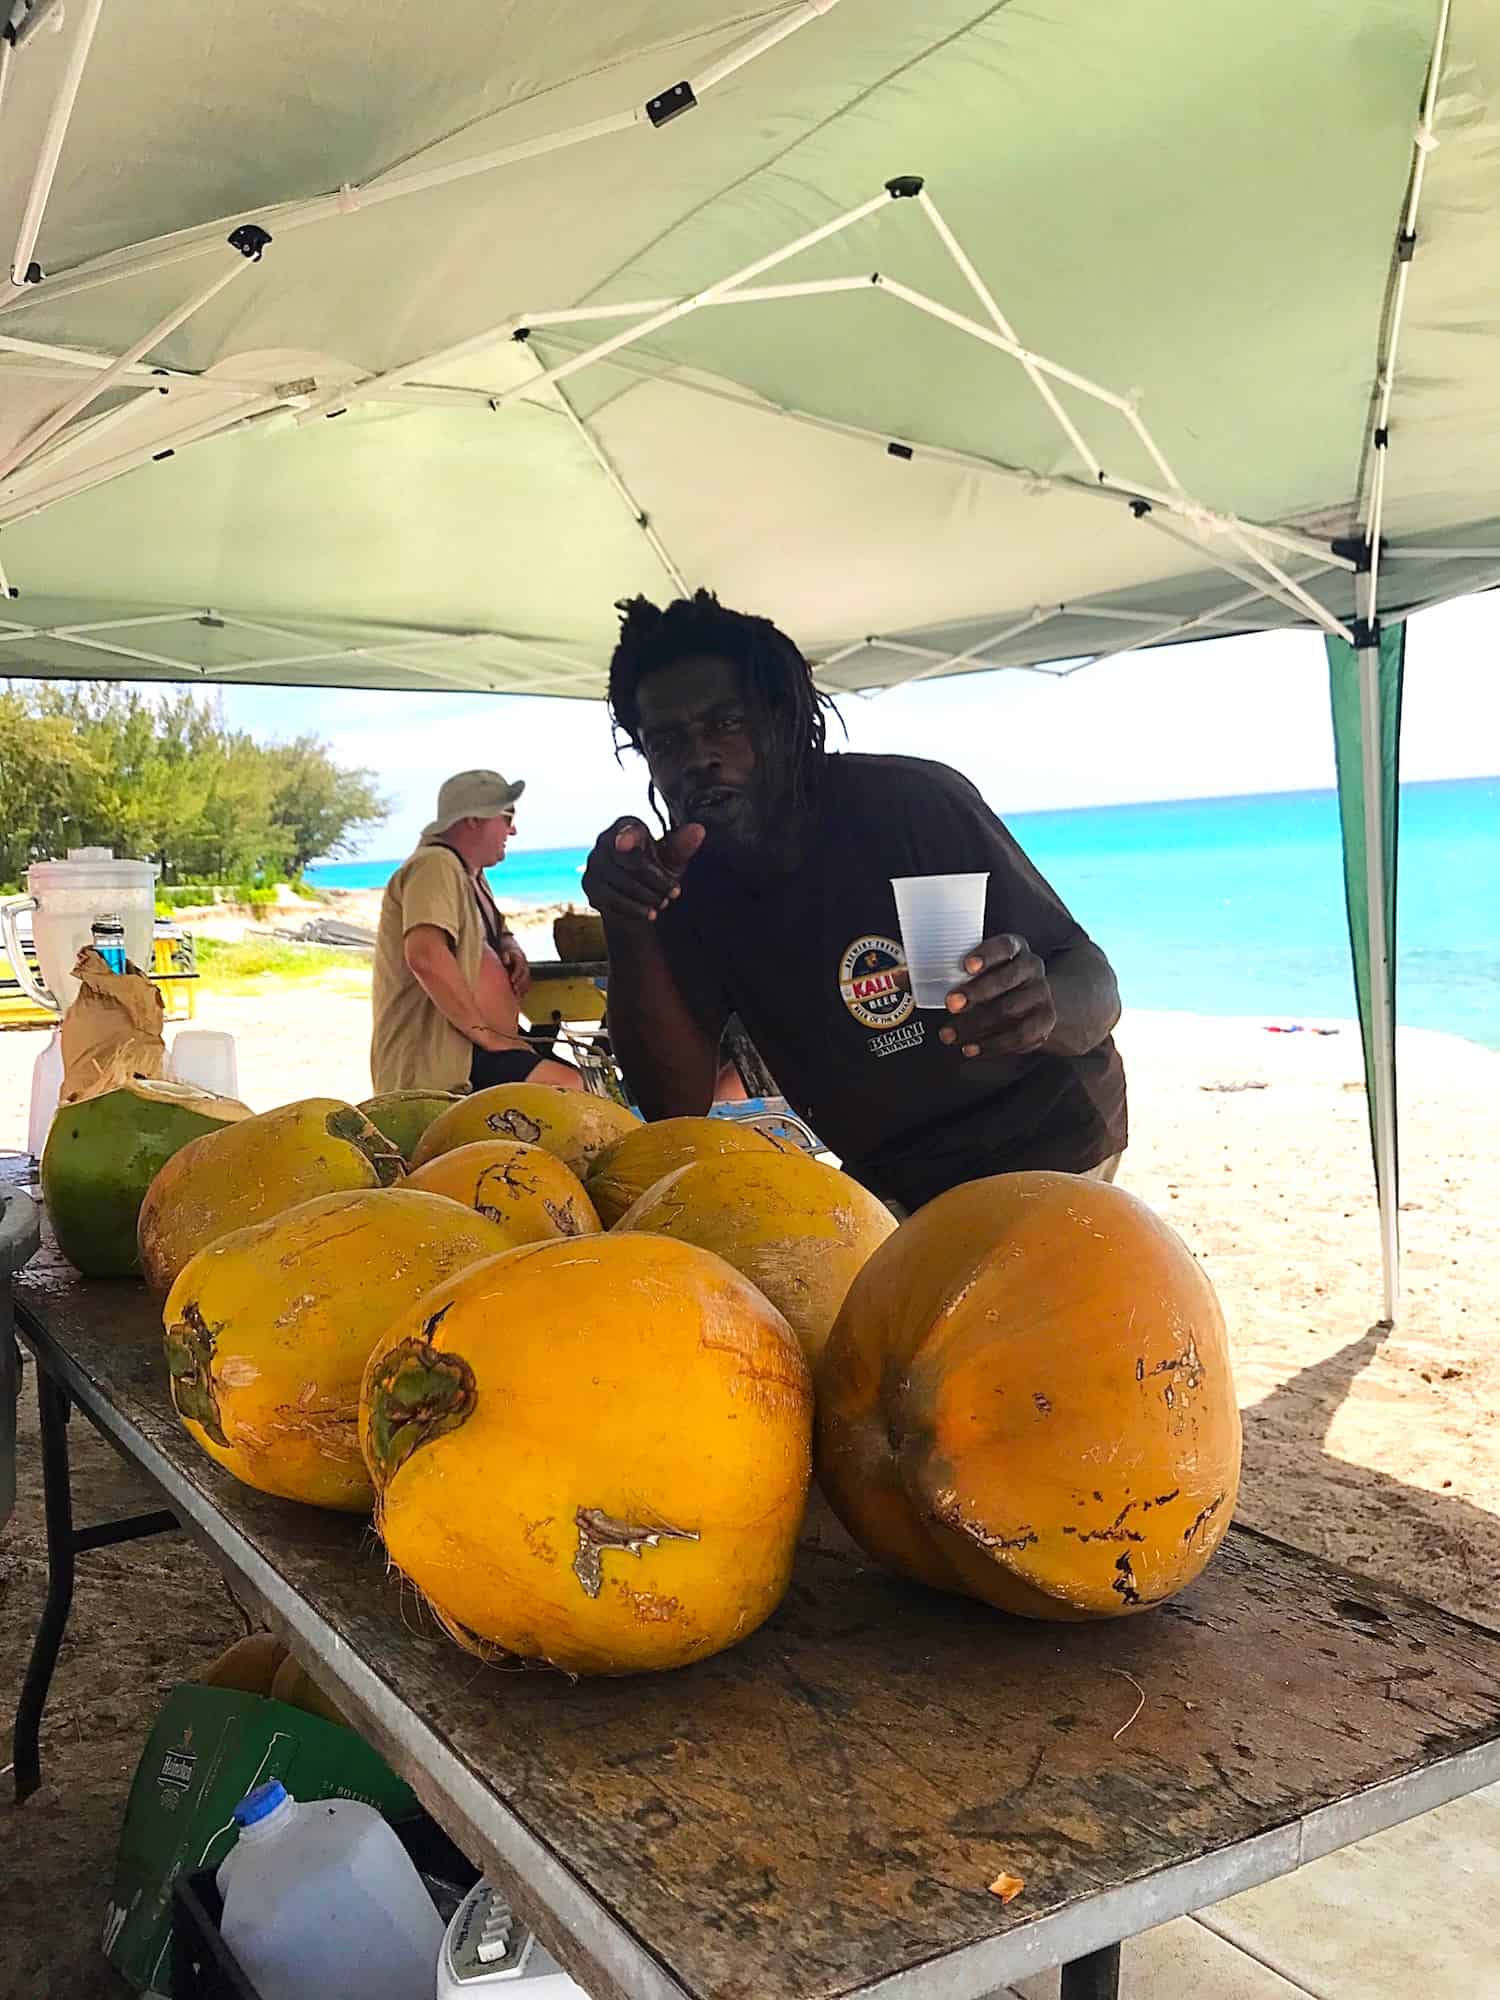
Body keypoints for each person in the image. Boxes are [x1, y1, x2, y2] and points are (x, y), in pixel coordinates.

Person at [582, 593, 1125, 1214]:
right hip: (893, 1173)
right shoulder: (686, 881)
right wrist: (628, 923)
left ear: (782, 719)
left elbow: (1095, 982)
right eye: (667, 741)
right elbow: (670, 1102)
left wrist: (1044, 1007)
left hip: (1046, 1139)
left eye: (726, 725)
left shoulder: (909, 804)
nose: (699, 758)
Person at [371, 770, 583, 1094]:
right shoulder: (435, 865)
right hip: (448, 1058)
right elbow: (425, 954)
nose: (512, 830)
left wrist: (510, 947)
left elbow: (493, 929)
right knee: (573, 1087)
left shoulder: (471, 875)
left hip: (475, 1050)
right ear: (473, 820)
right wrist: (485, 1033)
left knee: (585, 1082)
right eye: (506, 817)